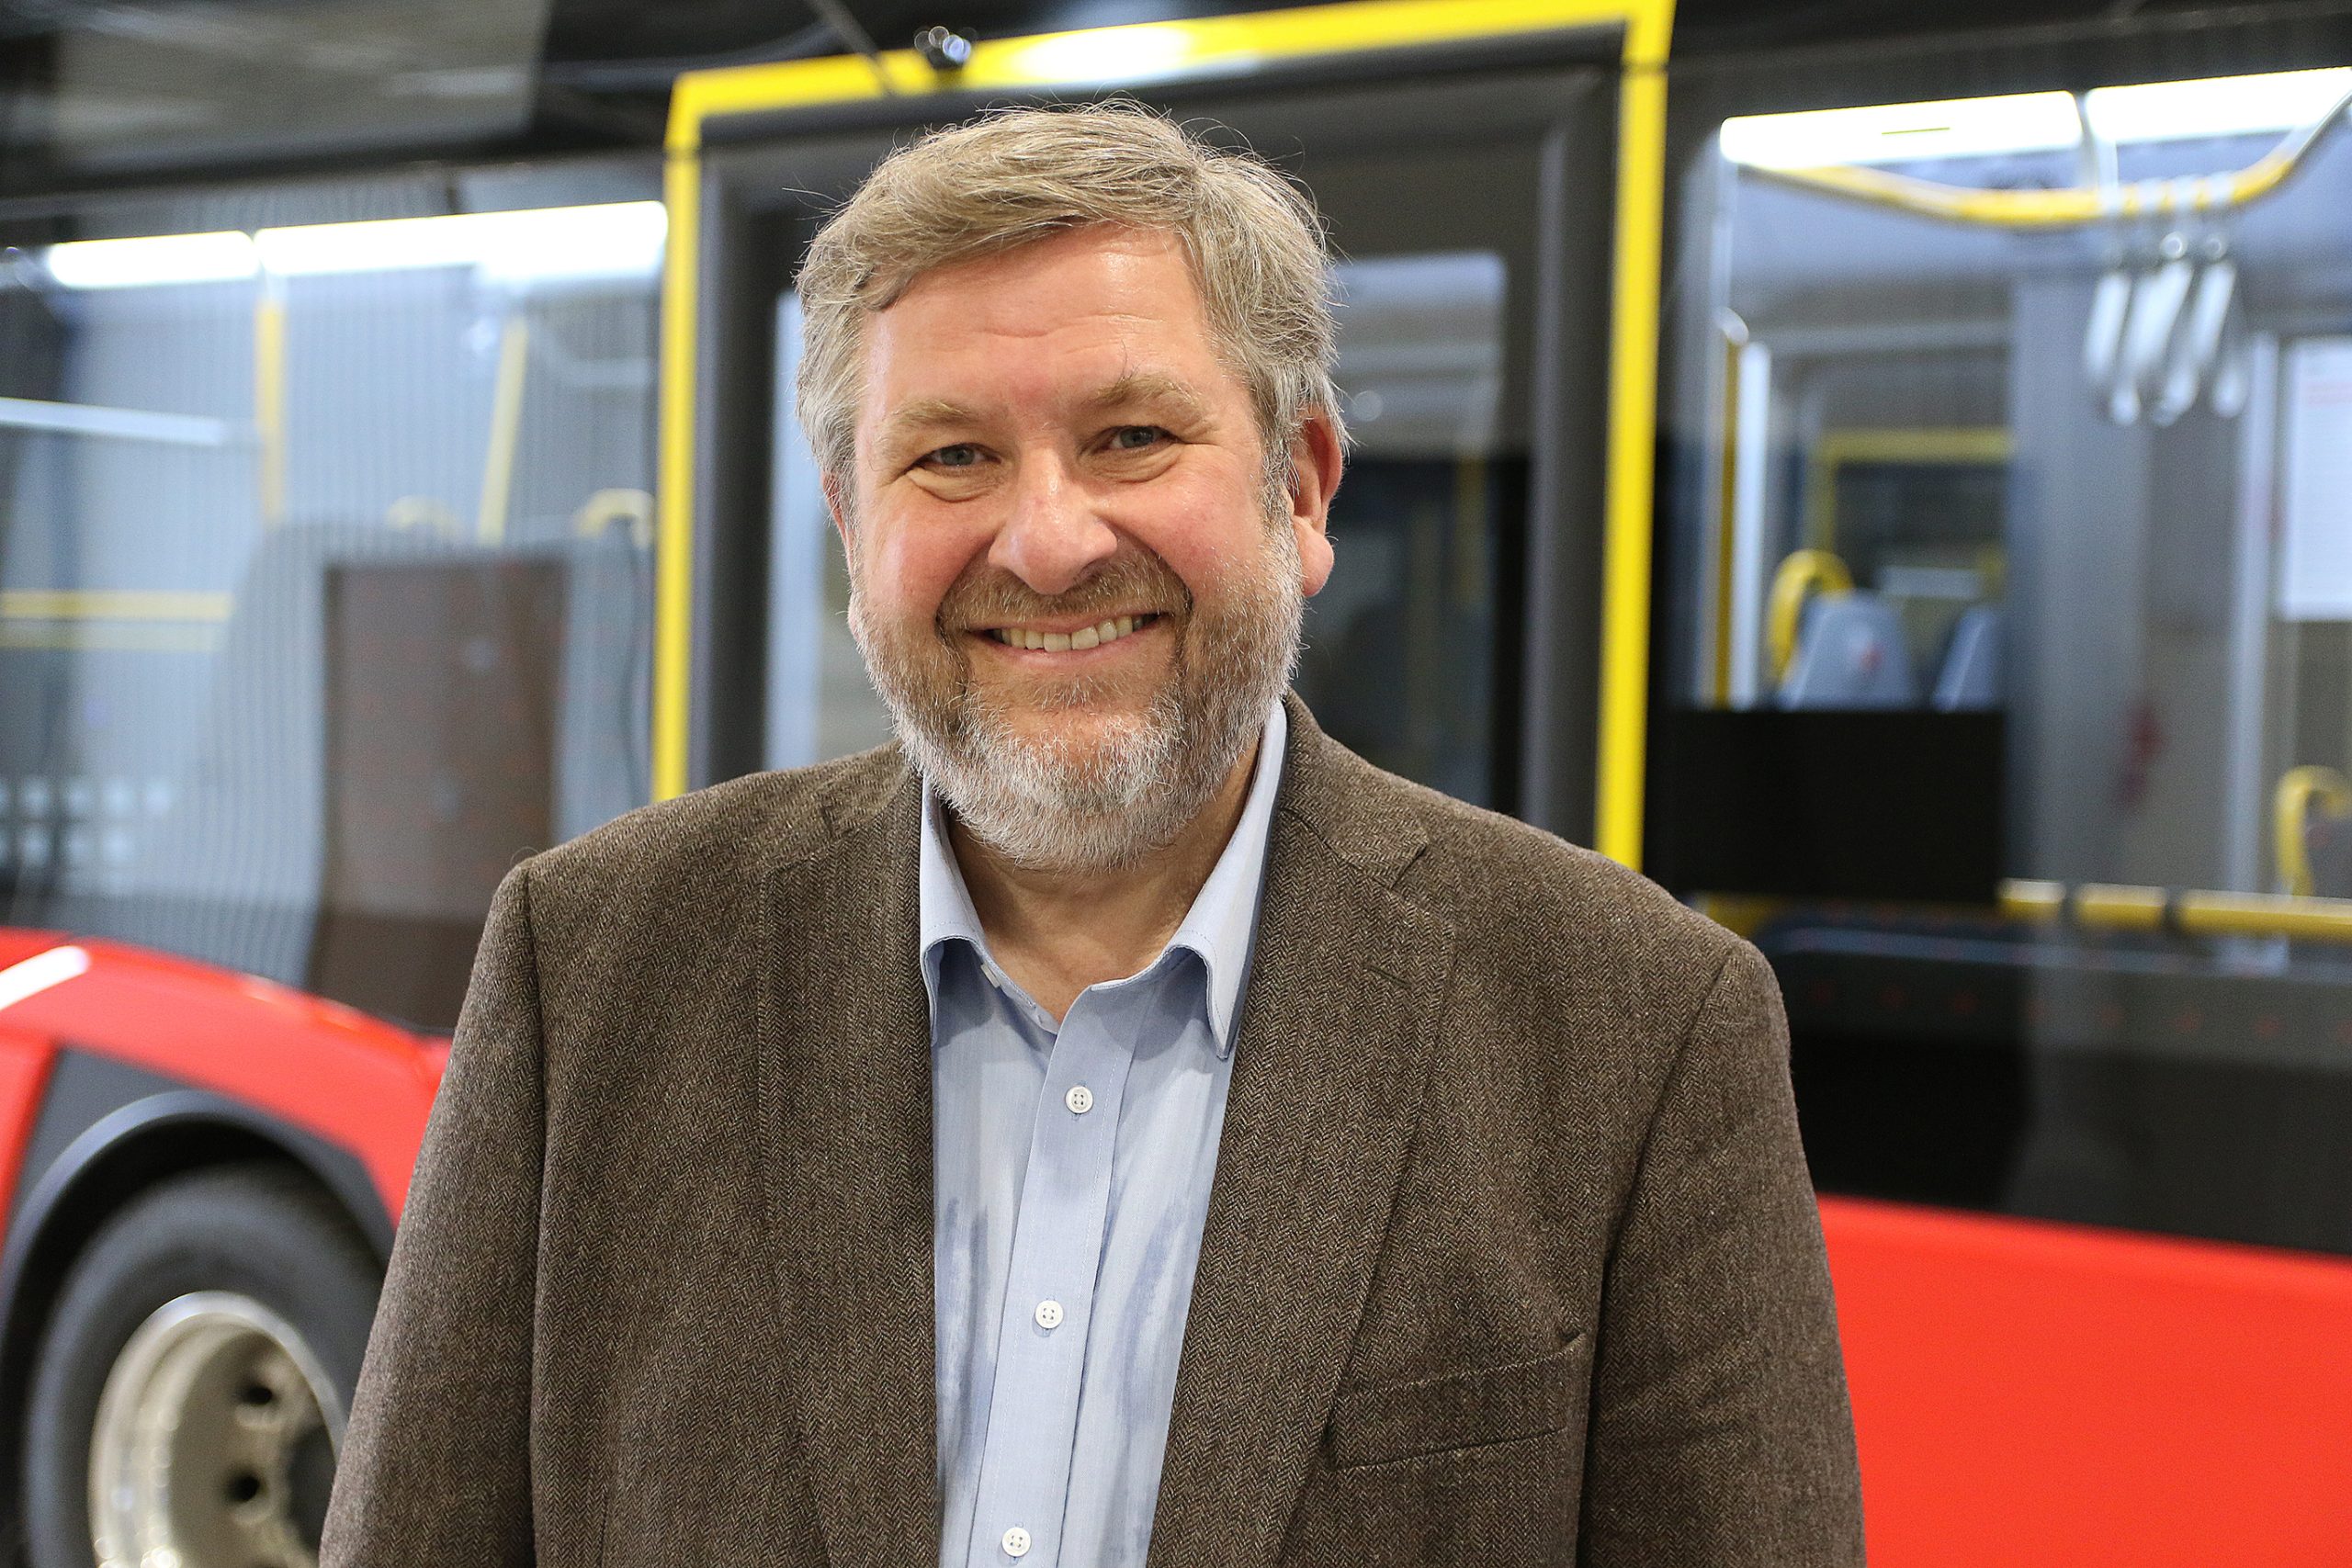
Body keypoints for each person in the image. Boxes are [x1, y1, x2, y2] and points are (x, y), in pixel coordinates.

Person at [321, 104, 1864, 1568]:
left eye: (1131, 437)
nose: (1049, 541)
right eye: (951, 457)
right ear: (856, 529)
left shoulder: (1634, 1029)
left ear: (1302, 487)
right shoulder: (591, 973)